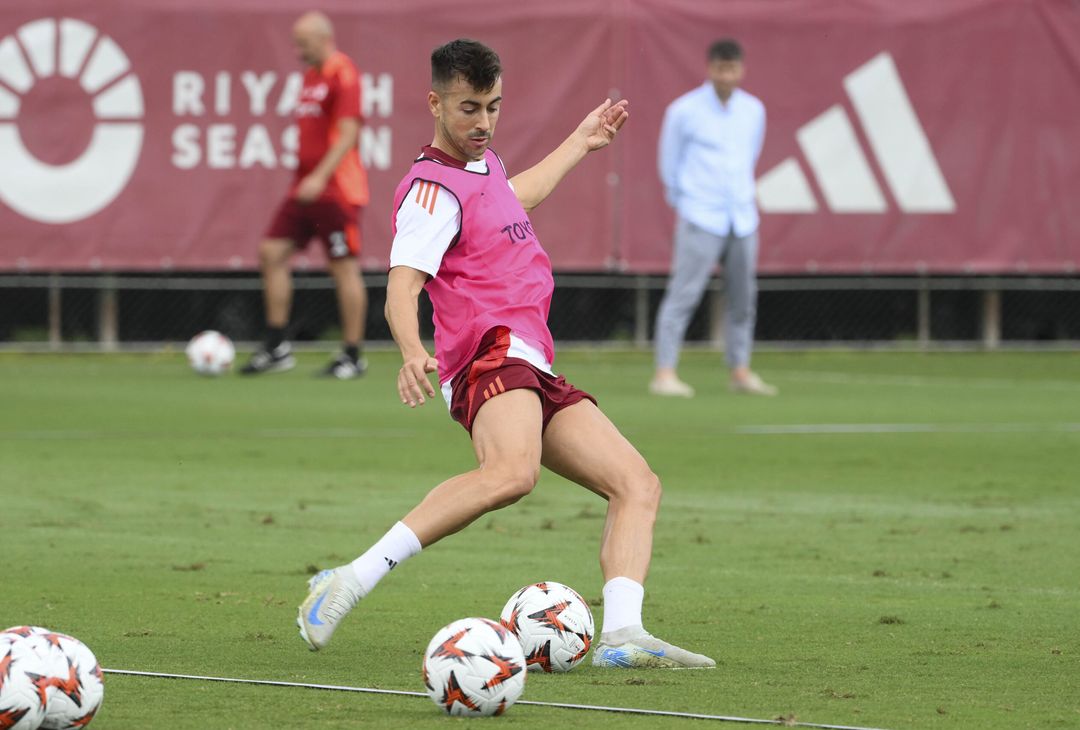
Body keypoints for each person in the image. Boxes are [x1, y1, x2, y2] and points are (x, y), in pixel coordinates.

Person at [297, 39, 714, 669]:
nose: (483, 122)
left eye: (492, 106)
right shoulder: (431, 191)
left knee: (637, 484)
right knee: (512, 474)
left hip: (530, 358)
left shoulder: (481, 167)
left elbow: (515, 197)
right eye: (468, 108)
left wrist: (580, 142)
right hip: (488, 355)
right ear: (434, 102)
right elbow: (401, 285)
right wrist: (412, 351)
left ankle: (623, 636)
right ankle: (349, 579)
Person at [241, 11, 370, 379]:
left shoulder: (342, 73)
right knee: (272, 252)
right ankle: (278, 345)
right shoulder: (310, 76)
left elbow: (347, 134)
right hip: (305, 187)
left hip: (336, 190)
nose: (297, 50)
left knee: (343, 267)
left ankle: (352, 354)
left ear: (323, 37)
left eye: (303, 43)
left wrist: (320, 176)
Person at [651, 38, 777, 397]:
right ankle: (664, 373)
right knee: (683, 294)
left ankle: (739, 370)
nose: (727, 75)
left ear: (741, 69)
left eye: (733, 68)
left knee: (743, 298)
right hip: (700, 215)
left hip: (742, 217)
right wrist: (687, 202)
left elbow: (750, 155)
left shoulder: (753, 110)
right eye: (721, 68)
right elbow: (668, 164)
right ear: (710, 69)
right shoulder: (684, 111)